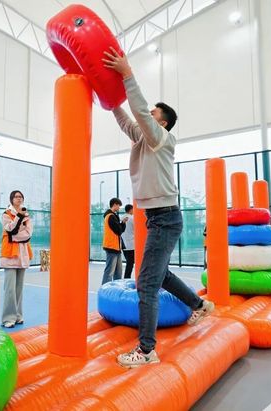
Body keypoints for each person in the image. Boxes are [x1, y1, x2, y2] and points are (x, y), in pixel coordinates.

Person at [103, 47, 214, 368]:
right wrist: (110, 102)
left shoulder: (163, 138)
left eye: (152, 113)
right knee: (160, 275)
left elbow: (138, 112)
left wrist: (127, 75)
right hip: (157, 218)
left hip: (165, 218)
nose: (146, 114)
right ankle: (199, 305)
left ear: (162, 122)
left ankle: (147, 350)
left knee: (147, 283)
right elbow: (128, 121)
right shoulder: (143, 138)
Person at [0, 190, 33, 328]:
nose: (19, 199)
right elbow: (10, 230)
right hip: (10, 255)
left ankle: (18, 316)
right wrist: (19, 218)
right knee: (10, 290)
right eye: (16, 197)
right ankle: (8, 318)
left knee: (19, 288)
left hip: (23, 255)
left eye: (20, 197)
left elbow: (28, 234)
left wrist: (15, 236)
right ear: (11, 199)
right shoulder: (6, 214)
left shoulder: (27, 215)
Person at [102, 197, 128, 284]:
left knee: (118, 272)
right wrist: (123, 223)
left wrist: (122, 223)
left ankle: (116, 288)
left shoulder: (111, 216)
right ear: (114, 205)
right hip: (112, 246)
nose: (119, 207)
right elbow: (119, 230)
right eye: (118, 205)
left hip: (116, 247)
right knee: (110, 272)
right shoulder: (111, 216)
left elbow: (119, 230)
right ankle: (105, 288)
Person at [121, 204, 135, 279]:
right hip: (132, 245)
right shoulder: (132, 218)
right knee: (130, 264)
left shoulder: (121, 218)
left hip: (124, 244)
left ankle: (126, 278)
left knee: (129, 263)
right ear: (130, 210)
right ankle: (126, 278)